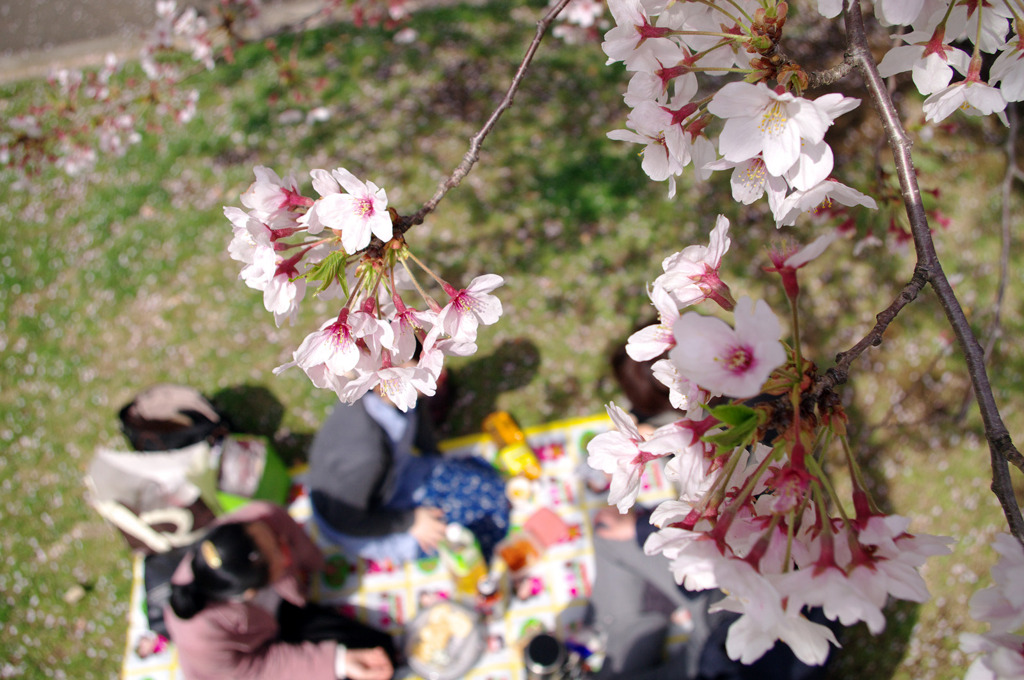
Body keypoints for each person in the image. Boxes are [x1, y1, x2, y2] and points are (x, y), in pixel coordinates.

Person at [587, 506, 839, 680]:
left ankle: (658, 599)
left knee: (607, 531)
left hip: (707, 657)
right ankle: (671, 585)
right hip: (729, 638)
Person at [164, 500, 395, 680]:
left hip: (284, 611)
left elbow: (294, 536)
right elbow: (256, 671)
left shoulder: (260, 517)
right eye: (280, 552)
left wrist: (317, 563)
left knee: (380, 652)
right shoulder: (200, 637)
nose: (283, 539)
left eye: (270, 533)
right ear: (250, 593)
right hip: (251, 662)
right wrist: (338, 662)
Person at [308, 390, 510, 564]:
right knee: (461, 537)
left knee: (486, 486)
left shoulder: (406, 389)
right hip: (360, 522)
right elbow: (344, 520)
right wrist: (411, 522)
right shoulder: (366, 455)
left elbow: (418, 421)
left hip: (392, 476)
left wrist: (436, 460)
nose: (434, 381)